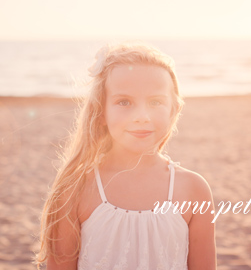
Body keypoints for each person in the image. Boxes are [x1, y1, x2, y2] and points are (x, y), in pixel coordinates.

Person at [35, 41, 217, 269]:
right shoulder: (76, 189)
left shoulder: (194, 189)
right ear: (101, 111)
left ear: (173, 110)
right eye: (124, 102)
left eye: (155, 102)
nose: (141, 116)